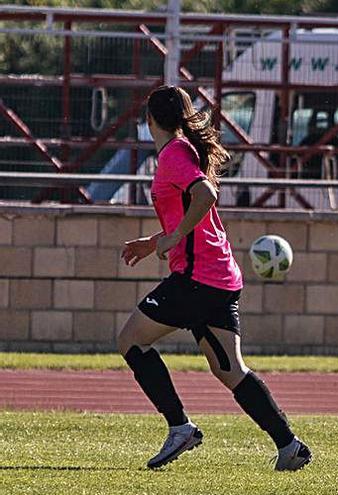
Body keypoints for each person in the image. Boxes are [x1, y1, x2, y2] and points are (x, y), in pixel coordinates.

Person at [117, 85, 312, 470]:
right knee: (229, 370)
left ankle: (180, 427)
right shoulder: (182, 151)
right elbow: (194, 213)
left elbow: (205, 196)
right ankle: (289, 446)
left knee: (130, 342)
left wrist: (172, 237)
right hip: (218, 277)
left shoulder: (173, 154)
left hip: (197, 279)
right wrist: (155, 241)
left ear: (150, 120)